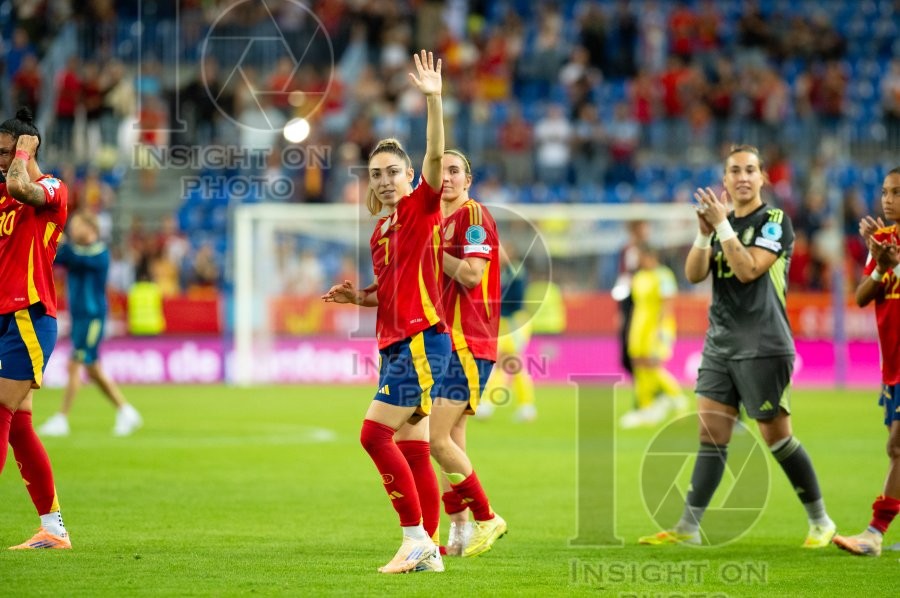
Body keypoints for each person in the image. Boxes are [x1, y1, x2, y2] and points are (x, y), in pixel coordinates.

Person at [639, 144, 836, 548]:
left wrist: (723, 229)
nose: (743, 177)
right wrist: (703, 231)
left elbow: (748, 271)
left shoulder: (775, 221)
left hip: (764, 342)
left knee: (776, 436)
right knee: (711, 434)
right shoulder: (722, 224)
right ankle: (687, 529)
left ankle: (821, 521)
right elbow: (694, 275)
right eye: (735, 171)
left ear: (762, 177)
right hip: (720, 343)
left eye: (750, 170)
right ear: (725, 180)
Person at [321, 50, 446, 574]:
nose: (385, 180)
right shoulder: (382, 230)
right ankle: (430, 549)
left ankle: (415, 538)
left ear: (411, 174)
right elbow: (390, 288)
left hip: (420, 341)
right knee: (414, 446)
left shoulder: (421, 205)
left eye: (394, 171)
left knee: (374, 435)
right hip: (395, 342)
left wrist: (434, 100)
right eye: (376, 174)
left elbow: (437, 158)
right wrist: (360, 298)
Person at [0, 107, 72, 549]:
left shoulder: (51, 188)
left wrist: (23, 155)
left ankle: (54, 529)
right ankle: (53, 529)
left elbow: (20, 185)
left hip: (30, 314)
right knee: (19, 426)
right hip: (5, 316)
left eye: (7, 152)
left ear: (27, 150)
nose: (1, 161)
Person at [431, 149, 507, 558]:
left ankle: (486, 517)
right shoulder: (437, 221)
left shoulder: (472, 217)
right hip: (448, 340)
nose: (446, 177)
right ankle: (459, 534)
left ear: (468, 180)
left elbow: (473, 274)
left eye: (454, 170)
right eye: (440, 170)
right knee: (453, 437)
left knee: (435, 437)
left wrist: (430, 252)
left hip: (468, 339)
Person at [831, 167, 900, 557]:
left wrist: (895, 265)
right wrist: (881, 262)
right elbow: (861, 296)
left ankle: (875, 532)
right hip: (892, 363)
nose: (888, 199)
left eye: (897, 193)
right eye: (886, 192)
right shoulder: (884, 240)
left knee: (897, 446)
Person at [39, 210, 143, 438]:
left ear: (91, 229)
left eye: (77, 226)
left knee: (75, 364)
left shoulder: (99, 253)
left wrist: (61, 240)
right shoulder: (77, 251)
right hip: (79, 318)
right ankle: (126, 411)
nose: (73, 230)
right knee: (93, 369)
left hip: (92, 317)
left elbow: (74, 258)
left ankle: (62, 418)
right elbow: (59, 256)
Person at [618, 243, 687, 429]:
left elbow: (668, 303)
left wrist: (662, 329)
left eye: (643, 257)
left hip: (656, 325)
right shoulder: (639, 276)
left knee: (652, 363)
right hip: (639, 324)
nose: (641, 261)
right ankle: (646, 405)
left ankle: (675, 394)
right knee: (638, 363)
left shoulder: (663, 275)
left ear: (652, 256)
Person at [480, 244, 536, 422]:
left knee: (505, 361)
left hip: (515, 322)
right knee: (513, 364)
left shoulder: (515, 270)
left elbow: (509, 298)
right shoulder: (504, 271)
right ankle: (526, 406)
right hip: (505, 322)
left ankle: (489, 404)